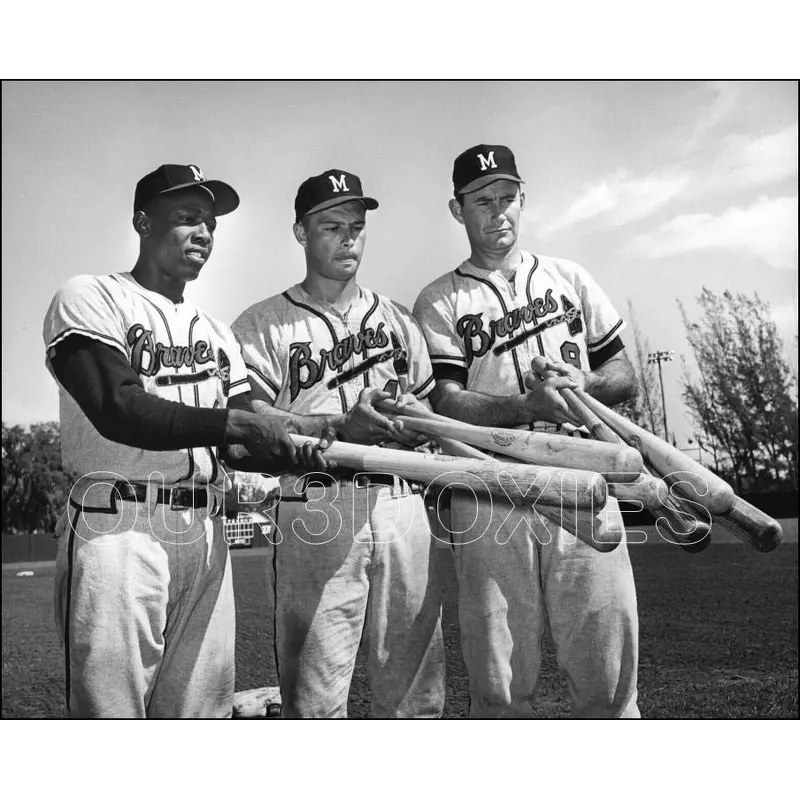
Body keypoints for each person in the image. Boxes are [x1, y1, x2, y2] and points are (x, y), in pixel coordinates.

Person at [42, 163, 329, 718]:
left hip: (205, 531)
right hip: (119, 527)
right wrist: (241, 424)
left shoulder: (217, 332)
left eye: (211, 222)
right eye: (187, 218)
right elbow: (117, 406)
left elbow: (250, 436)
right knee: (112, 720)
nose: (204, 232)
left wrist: (322, 428)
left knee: (201, 717)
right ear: (142, 222)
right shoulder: (91, 297)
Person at [413, 144, 640, 718]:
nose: (499, 213)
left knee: (607, 669)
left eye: (509, 198)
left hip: (585, 475)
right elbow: (444, 398)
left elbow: (625, 373)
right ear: (456, 209)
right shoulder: (440, 300)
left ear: (523, 199)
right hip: (491, 488)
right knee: (500, 680)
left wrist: (583, 383)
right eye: (483, 201)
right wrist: (523, 405)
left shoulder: (570, 278)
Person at [232, 168, 446, 718]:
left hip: (402, 504)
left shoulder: (399, 319)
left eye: (357, 225)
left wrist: (413, 421)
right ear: (301, 233)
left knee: (416, 700)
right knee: (316, 701)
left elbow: (430, 416)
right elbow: (251, 428)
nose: (349, 237)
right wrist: (337, 425)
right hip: (316, 506)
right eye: (331, 226)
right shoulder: (262, 325)